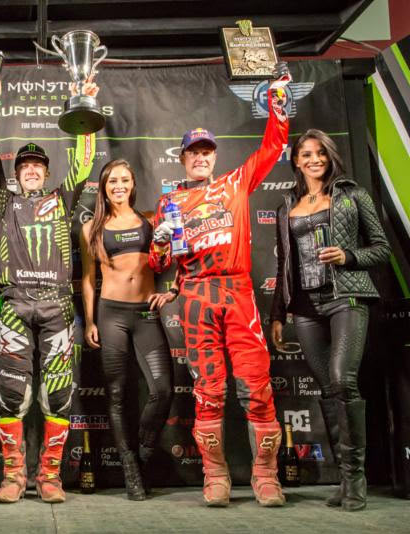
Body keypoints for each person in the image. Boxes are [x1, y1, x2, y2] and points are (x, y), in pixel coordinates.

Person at [148, 62, 291, 507]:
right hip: (195, 296)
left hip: (238, 292)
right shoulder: (170, 202)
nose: (201, 157)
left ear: (214, 156)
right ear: (183, 158)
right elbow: (160, 261)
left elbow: (274, 144)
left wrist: (279, 98)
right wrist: (158, 242)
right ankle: (216, 477)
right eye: (193, 152)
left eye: (207, 151)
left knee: (255, 384)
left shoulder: (236, 182)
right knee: (208, 390)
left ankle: (266, 478)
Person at [0, 77, 97, 503]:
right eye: (24, 165)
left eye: (38, 166)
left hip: (58, 307)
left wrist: (85, 113)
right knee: (12, 393)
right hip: (13, 305)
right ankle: (12, 477)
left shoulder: (62, 200)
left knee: (59, 393)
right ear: (18, 173)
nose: (30, 169)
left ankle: (49, 477)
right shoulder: (3, 201)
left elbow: (83, 166)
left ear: (46, 173)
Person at [270, 129, 389, 512]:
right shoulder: (286, 204)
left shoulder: (353, 195)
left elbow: (382, 249)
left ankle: (356, 478)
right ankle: (343, 477)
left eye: (320, 153)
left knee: (343, 381)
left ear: (330, 156)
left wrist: (348, 257)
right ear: (296, 161)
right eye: (306, 154)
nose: (314, 159)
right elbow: (284, 264)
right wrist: (277, 314)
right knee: (327, 388)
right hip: (305, 308)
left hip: (346, 297)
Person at [79, 159, 174, 500]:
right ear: (103, 187)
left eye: (125, 179)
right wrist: (90, 320)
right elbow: (89, 279)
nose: (118, 185)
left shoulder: (151, 220)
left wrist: (172, 290)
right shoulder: (91, 228)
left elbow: (171, 261)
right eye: (112, 180)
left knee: (162, 390)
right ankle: (131, 470)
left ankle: (144, 452)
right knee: (117, 396)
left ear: (133, 184)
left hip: (146, 313)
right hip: (111, 314)